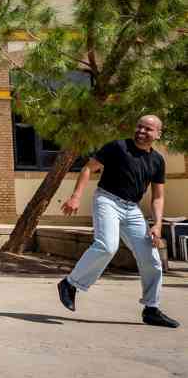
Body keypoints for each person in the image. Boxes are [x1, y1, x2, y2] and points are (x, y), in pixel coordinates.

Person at [57, 115, 179, 328]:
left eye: (148, 129)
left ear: (158, 134)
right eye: (139, 126)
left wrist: (157, 224)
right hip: (107, 200)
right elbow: (87, 168)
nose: (141, 131)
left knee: (152, 259)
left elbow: (158, 196)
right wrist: (76, 196)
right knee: (107, 246)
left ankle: (151, 309)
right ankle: (70, 284)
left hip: (132, 209)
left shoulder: (157, 161)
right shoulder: (118, 147)